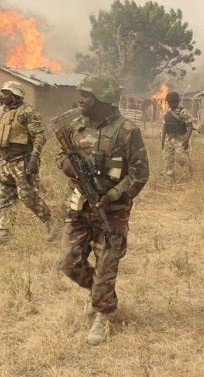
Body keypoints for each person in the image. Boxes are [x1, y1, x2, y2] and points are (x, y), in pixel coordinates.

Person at [56, 73, 149, 345]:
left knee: (107, 264)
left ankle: (104, 313)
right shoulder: (75, 127)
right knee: (68, 263)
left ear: (103, 99)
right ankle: (98, 292)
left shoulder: (127, 131)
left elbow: (140, 172)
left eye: (87, 95)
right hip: (78, 206)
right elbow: (60, 155)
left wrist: (112, 195)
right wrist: (65, 164)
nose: (80, 99)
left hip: (112, 211)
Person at [0, 80, 60, 244]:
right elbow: (2, 140)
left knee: (28, 197)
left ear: (15, 95)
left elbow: (40, 137)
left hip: (22, 161)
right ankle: (4, 233)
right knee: (6, 198)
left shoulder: (28, 112)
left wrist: (34, 159)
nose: (3, 97)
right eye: (4, 94)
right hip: (5, 162)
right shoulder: (4, 113)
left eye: (7, 94)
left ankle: (52, 223)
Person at [160, 91, 193, 179]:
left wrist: (187, 140)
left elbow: (190, 126)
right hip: (169, 139)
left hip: (180, 139)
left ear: (177, 101)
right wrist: (162, 140)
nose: (171, 103)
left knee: (181, 158)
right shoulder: (166, 113)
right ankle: (169, 176)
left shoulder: (183, 112)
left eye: (173, 101)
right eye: (169, 102)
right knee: (168, 158)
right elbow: (164, 127)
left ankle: (190, 170)